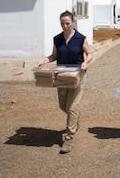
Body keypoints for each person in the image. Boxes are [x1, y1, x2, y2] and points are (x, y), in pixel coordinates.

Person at [37, 10, 93, 154]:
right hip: (61, 76)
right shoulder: (57, 39)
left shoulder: (81, 38)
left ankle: (68, 138)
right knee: (64, 106)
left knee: (72, 107)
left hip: (77, 76)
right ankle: (74, 119)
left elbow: (90, 53)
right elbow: (54, 55)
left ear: (73, 23)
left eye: (67, 23)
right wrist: (44, 61)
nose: (65, 26)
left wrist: (86, 62)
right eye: (62, 24)